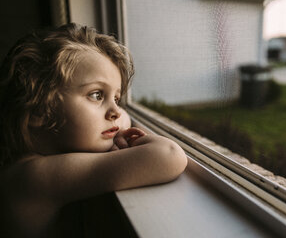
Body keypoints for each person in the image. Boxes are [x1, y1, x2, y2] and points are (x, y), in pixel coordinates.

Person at [0, 23, 188, 237]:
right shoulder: (33, 177)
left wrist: (117, 122)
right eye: (97, 95)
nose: (116, 111)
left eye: (116, 99)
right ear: (38, 110)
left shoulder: (28, 164)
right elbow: (169, 156)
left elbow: (122, 117)